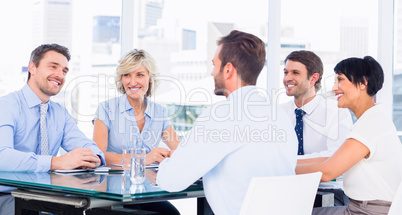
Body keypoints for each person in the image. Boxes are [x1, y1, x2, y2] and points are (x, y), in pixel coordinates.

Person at [156, 30, 298, 215]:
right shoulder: (280, 116)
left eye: (215, 65)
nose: (212, 72)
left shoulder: (220, 115)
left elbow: (171, 180)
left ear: (228, 69)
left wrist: (165, 163)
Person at [296, 56, 402, 215]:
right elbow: (332, 159)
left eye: (340, 80)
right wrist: (287, 162)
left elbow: (328, 172)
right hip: (359, 208)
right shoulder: (371, 120)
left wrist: (284, 168)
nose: (334, 88)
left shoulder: (371, 124)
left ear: (363, 83)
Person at [92, 49, 181, 214]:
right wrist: (141, 160)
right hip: (111, 195)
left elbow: (179, 149)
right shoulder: (107, 109)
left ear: (150, 78)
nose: (132, 82)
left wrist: (169, 156)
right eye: (127, 75)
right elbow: (99, 155)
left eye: (139, 75)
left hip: (144, 192)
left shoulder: (159, 112)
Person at [0, 44, 105, 172]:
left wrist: (95, 158)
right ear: (32, 68)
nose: (60, 75)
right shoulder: (6, 106)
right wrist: (57, 162)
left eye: (64, 71)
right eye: (53, 66)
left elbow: (87, 146)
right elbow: (2, 156)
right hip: (9, 191)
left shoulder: (60, 113)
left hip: (49, 191)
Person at [280, 50, 353, 206]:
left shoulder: (336, 112)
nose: (287, 78)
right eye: (285, 72)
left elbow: (335, 158)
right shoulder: (278, 114)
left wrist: (287, 163)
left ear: (313, 78)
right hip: (285, 190)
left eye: (295, 73)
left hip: (325, 192)